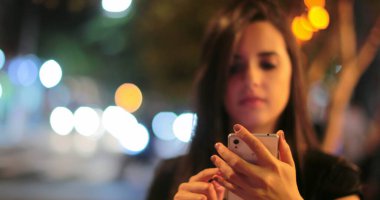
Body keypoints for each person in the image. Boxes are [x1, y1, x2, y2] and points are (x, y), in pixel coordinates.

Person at [147, 0, 361, 199]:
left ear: (292, 72)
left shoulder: (334, 178)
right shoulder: (171, 178)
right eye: (234, 67)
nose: (252, 79)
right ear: (214, 80)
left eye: (268, 64)